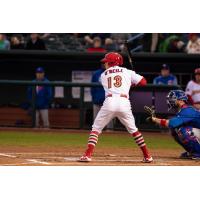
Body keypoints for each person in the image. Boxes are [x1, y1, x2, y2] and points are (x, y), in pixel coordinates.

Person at [79, 52, 153, 163]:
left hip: (110, 101)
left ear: (112, 62)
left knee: (96, 128)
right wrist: (132, 80)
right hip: (124, 102)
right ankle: (147, 156)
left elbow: (115, 82)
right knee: (134, 130)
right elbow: (143, 82)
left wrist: (129, 81)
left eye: (107, 62)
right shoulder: (128, 72)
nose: (105, 64)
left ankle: (87, 155)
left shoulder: (103, 75)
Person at [145, 90, 200, 159]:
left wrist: (155, 119)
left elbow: (172, 123)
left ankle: (198, 153)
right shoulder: (183, 110)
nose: (170, 101)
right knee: (175, 130)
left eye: (173, 99)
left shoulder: (188, 110)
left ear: (181, 100)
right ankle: (192, 151)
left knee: (182, 130)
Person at [91, 65, 113, 129]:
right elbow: (92, 88)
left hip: (108, 101)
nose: (104, 64)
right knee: (96, 120)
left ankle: (110, 133)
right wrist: (94, 98)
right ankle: (95, 133)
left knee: (109, 122)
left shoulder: (112, 73)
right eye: (103, 63)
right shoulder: (96, 73)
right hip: (97, 100)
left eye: (105, 63)